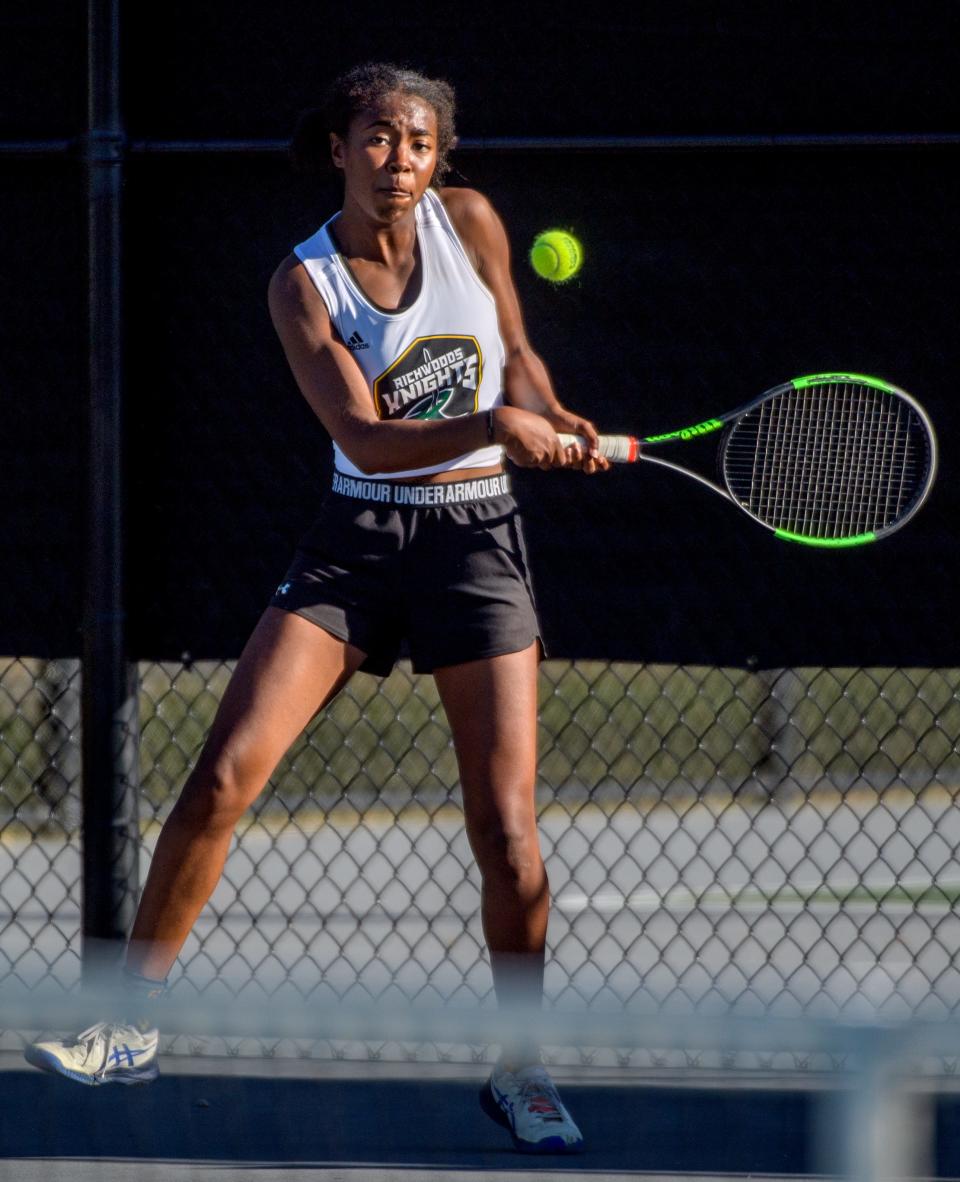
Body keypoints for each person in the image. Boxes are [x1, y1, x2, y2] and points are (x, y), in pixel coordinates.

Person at [26, 61, 609, 1155]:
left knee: (510, 832)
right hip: (357, 543)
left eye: (421, 142)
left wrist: (548, 413)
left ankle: (521, 1068)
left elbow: (518, 358)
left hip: (477, 544)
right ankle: (130, 1026)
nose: (401, 162)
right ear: (339, 148)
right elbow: (369, 440)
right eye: (380, 138)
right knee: (223, 775)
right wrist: (491, 423)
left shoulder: (470, 222)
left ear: (442, 158)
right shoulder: (302, 284)